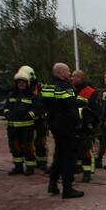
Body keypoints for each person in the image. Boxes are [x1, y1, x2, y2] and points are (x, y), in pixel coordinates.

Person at [41, 62, 84, 199]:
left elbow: (44, 106)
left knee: (58, 155)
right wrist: (78, 122)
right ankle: (68, 188)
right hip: (67, 127)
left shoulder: (47, 86)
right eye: (67, 71)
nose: (70, 73)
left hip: (54, 126)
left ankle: (53, 184)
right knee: (68, 158)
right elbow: (72, 108)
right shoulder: (65, 87)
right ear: (60, 72)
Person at [4, 69, 38, 175]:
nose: (21, 84)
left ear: (27, 83)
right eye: (19, 82)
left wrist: (29, 115)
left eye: (23, 82)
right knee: (14, 147)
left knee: (27, 148)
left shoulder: (32, 96)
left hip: (26, 127)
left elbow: (38, 109)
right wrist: (6, 113)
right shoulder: (11, 95)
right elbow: (5, 107)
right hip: (12, 127)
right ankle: (18, 167)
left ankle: (30, 167)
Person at [71, 69, 100, 183]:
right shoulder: (70, 90)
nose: (72, 78)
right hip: (73, 125)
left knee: (86, 149)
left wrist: (90, 123)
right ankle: (77, 168)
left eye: (74, 76)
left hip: (85, 126)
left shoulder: (91, 92)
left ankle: (87, 173)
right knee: (74, 148)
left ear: (81, 78)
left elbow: (96, 111)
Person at [19, 65, 49, 172]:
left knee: (40, 142)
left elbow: (43, 104)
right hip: (26, 121)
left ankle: (42, 162)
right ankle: (31, 163)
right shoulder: (21, 89)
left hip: (40, 120)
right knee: (27, 143)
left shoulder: (40, 87)